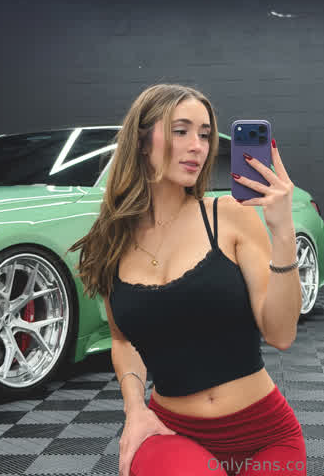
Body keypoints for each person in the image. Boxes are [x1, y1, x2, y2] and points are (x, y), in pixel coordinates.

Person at [68, 83, 306, 476]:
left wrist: (282, 233)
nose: (197, 146)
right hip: (172, 431)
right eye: (181, 131)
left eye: (205, 134)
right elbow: (123, 340)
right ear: (141, 141)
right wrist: (134, 410)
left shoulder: (229, 215)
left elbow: (281, 335)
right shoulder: (110, 241)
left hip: (264, 432)